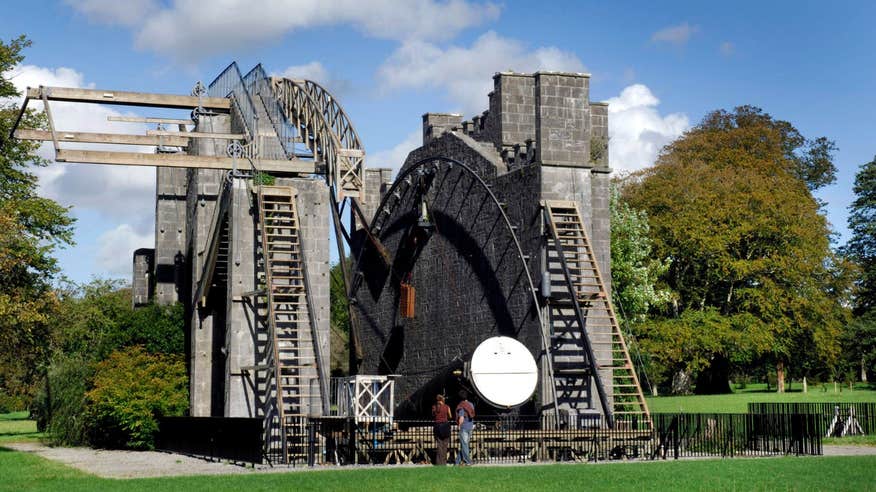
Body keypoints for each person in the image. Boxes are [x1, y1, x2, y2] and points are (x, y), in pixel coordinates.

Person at [455, 390, 475, 466]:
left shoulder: (461, 405)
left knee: (464, 445)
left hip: (464, 427)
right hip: (470, 426)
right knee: (465, 445)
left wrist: (459, 426)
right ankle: (457, 462)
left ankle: (468, 461)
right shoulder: (471, 404)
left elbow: (461, 417)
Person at [431, 394, 452, 465]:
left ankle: (438, 462)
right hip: (445, 426)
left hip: (437, 426)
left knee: (439, 445)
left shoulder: (434, 407)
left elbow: (433, 415)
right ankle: (444, 462)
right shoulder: (447, 407)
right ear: (443, 400)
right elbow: (450, 416)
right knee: (445, 445)